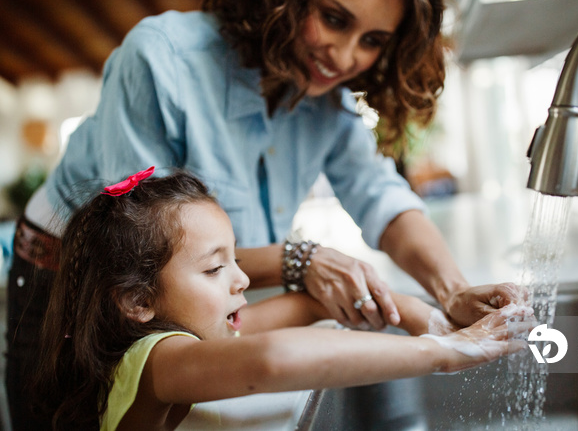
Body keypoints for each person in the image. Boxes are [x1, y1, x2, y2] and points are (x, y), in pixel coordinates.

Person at [7, 0, 523, 428]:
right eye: (334, 18)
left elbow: (380, 195)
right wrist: (303, 261)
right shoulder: (164, 57)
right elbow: (144, 249)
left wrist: (450, 293)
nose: (345, 57)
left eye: (372, 40)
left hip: (176, 292)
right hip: (70, 281)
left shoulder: (329, 100)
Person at [31, 169, 531, 430]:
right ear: (138, 301)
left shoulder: (195, 336)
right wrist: (443, 355)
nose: (242, 280)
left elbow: (314, 304)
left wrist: (436, 323)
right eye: (214, 267)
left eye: (236, 260)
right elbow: (273, 359)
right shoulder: (154, 360)